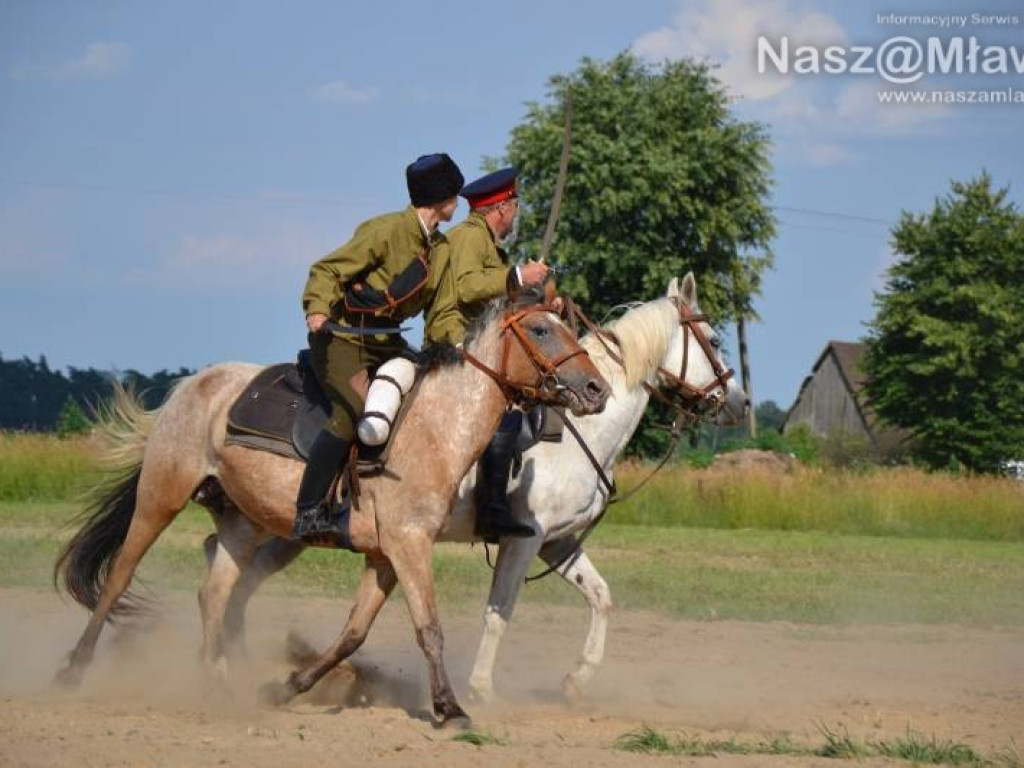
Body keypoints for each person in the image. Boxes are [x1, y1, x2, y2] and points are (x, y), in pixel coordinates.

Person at [293, 153, 464, 542]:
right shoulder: (384, 231)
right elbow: (327, 270)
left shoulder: (442, 249)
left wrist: (453, 343)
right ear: (441, 198)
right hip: (344, 339)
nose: (459, 201)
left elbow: (443, 309)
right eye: (454, 194)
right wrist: (317, 307)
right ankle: (308, 510)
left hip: (388, 342)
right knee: (352, 411)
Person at [424, 167, 548, 540]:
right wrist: (517, 277)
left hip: (476, 342)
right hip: (454, 342)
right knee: (504, 416)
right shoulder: (468, 236)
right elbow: (466, 288)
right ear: (501, 208)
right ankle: (492, 509)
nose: (515, 217)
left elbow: (493, 299)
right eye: (515, 208)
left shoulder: (485, 242)